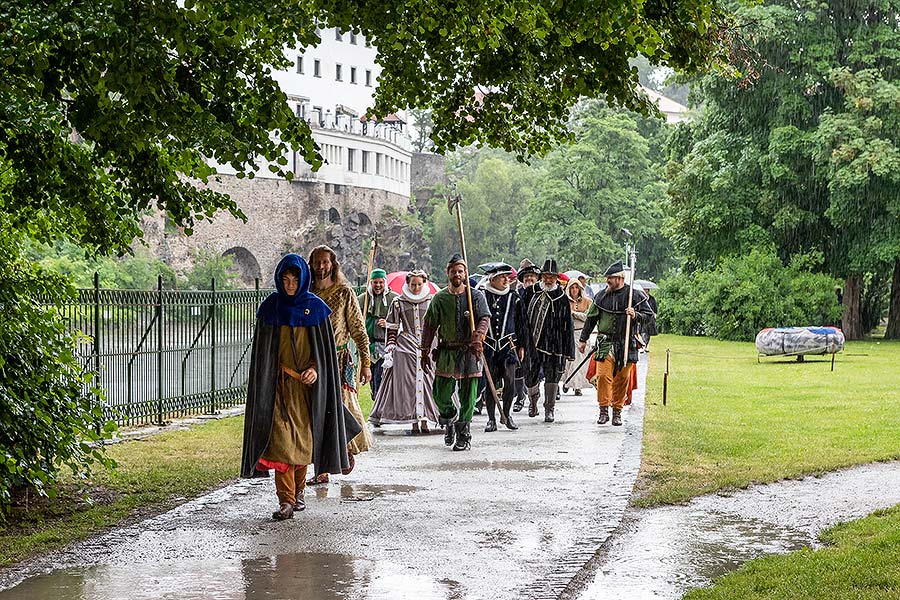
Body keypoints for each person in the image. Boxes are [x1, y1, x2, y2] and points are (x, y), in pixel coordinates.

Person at [241, 254, 361, 521]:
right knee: (283, 445)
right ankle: (285, 500)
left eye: (295, 280)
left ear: (303, 279)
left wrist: (315, 369)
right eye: (285, 280)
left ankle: (298, 494)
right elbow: (263, 355)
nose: (290, 285)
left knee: (304, 444)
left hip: (308, 391)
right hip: (280, 390)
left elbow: (325, 354)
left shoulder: (316, 309)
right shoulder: (270, 308)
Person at [307, 245, 372, 485]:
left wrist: (366, 363)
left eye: (326, 262)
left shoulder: (344, 292)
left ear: (333, 264)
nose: (322, 266)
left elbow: (358, 328)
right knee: (315, 413)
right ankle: (321, 470)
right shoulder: (308, 292)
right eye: (317, 262)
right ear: (311, 265)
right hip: (314, 362)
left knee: (340, 409)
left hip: (339, 358)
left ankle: (345, 447)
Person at [421, 253, 490, 451]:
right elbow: (430, 324)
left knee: (469, 395)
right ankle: (449, 418)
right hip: (447, 351)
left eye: (460, 271)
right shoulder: (439, 298)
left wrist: (478, 336)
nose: (457, 274)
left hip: (470, 351)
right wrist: (424, 350)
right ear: (448, 273)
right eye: (454, 271)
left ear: (465, 273)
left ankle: (463, 433)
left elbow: (484, 318)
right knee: (440, 393)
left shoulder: (475, 296)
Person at [578, 260, 653, 426]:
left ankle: (617, 411)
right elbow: (591, 319)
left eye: (610, 278)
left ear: (620, 278)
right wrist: (583, 339)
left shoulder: (635, 295)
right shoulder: (600, 296)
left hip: (627, 343)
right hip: (605, 343)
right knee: (603, 376)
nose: (607, 281)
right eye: (607, 278)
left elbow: (649, 316)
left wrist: (636, 315)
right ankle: (603, 409)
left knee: (622, 379)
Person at [368, 270, 441, 434]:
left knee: (429, 383)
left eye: (419, 284)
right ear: (407, 284)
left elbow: (437, 326)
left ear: (424, 284)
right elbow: (392, 327)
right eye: (413, 284)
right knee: (408, 385)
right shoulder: (398, 302)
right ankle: (414, 421)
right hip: (406, 346)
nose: (415, 287)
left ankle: (426, 420)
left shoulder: (432, 301)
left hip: (427, 345)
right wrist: (391, 346)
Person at [520, 258, 575, 422]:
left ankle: (549, 408)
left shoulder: (562, 298)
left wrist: (567, 350)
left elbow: (568, 326)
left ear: (556, 278)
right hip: (532, 343)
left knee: (552, 376)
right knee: (530, 376)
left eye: (551, 276)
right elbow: (521, 317)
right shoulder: (530, 292)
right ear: (541, 276)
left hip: (553, 344)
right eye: (545, 276)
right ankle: (533, 402)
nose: (548, 279)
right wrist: (521, 341)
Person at [480, 263, 527, 432]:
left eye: (507, 277)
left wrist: (522, 345)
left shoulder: (514, 297)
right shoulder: (481, 296)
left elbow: (522, 324)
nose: (507, 280)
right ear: (492, 279)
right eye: (502, 277)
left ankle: (506, 415)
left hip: (509, 346)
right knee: (490, 383)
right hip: (489, 347)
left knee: (510, 383)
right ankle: (491, 419)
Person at [358, 268, 399, 399]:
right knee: (373, 382)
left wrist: (388, 324)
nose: (378, 285)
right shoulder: (363, 299)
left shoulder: (394, 299)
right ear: (370, 283)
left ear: (385, 283)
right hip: (369, 347)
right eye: (375, 282)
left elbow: (402, 324)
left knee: (383, 381)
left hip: (386, 347)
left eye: (380, 282)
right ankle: (376, 402)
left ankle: (381, 407)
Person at [513, 260, 541, 412]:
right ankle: (521, 396)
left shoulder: (543, 296)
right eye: (526, 279)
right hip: (521, 338)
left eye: (532, 278)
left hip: (541, 339)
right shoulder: (517, 296)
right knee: (521, 369)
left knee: (538, 371)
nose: (529, 281)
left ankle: (534, 397)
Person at [562, 278, 593, 395]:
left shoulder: (587, 301)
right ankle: (567, 381)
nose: (574, 290)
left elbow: (588, 317)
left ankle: (577, 386)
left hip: (581, 333)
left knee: (579, 360)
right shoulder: (564, 301)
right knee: (569, 361)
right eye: (572, 288)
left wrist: (575, 314)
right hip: (569, 333)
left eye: (576, 288)